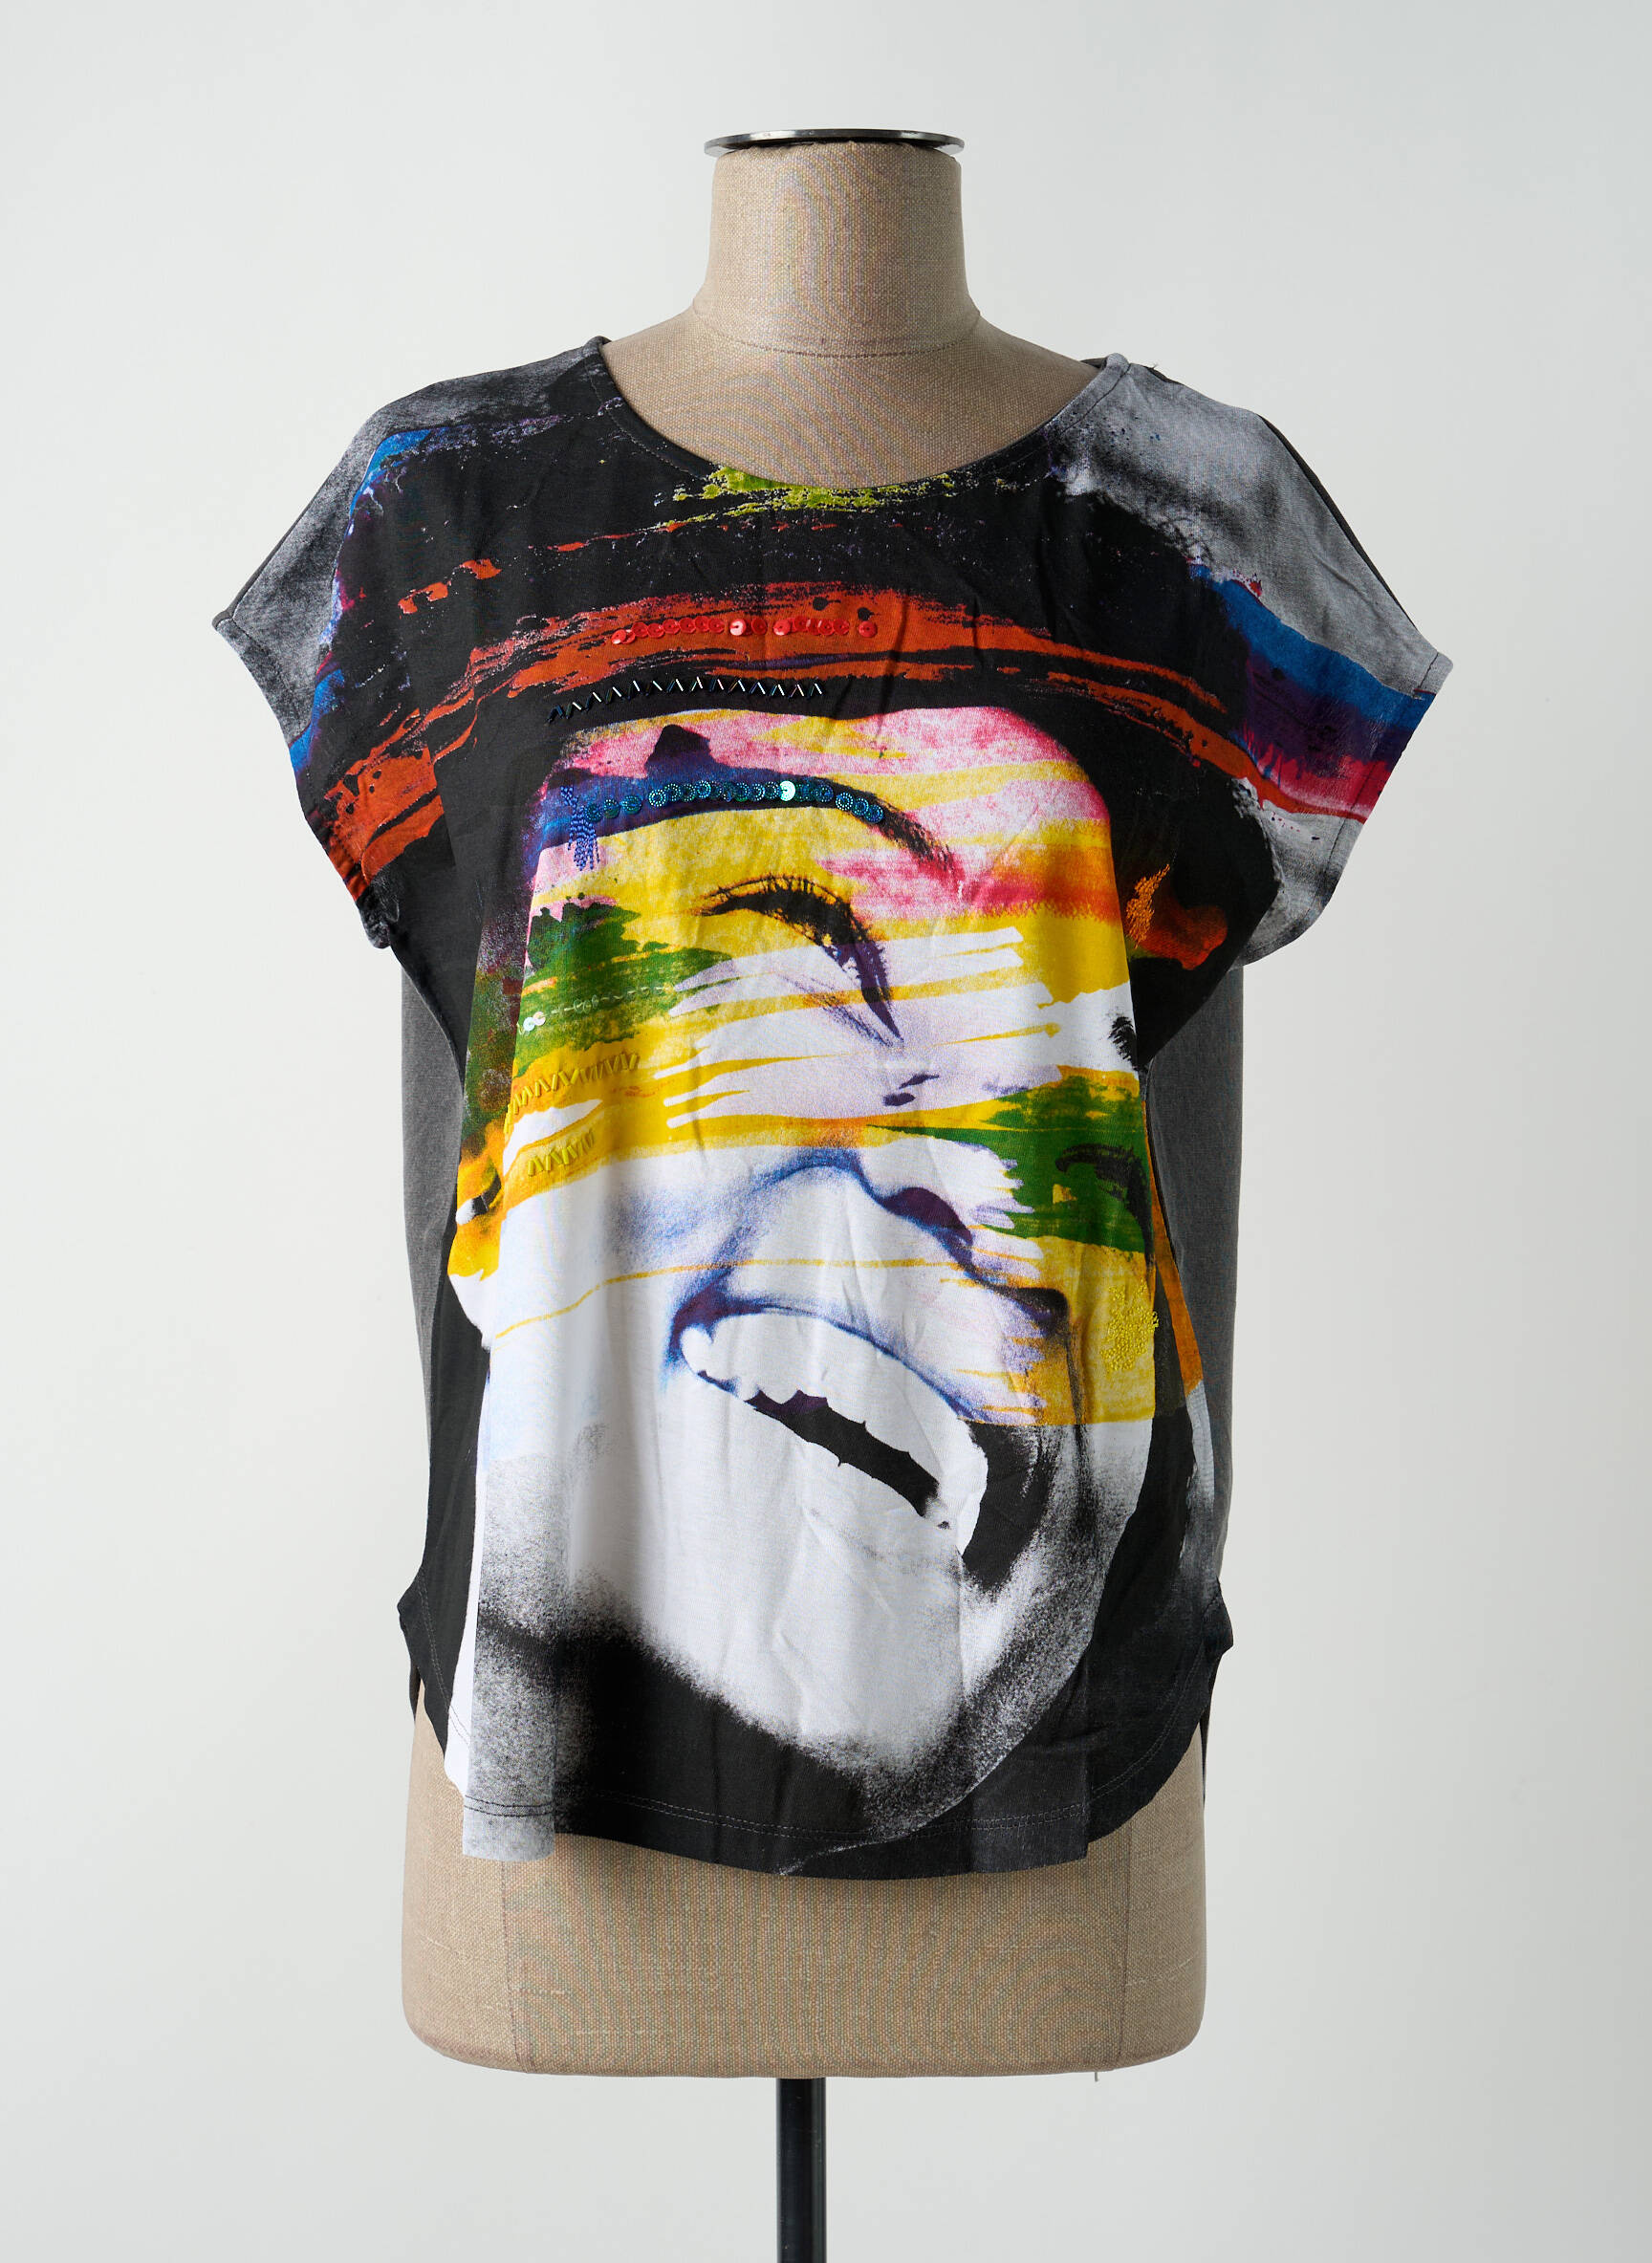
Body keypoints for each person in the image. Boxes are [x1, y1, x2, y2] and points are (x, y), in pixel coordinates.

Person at [441, 699, 1185, 1852]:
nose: (997, 1208)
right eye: (820, 951)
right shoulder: (442, 596)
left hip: (1083, 1888)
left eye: (1077, 1153)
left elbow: (1191, 1202)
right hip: (527, 1921)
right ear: (493, 1180)